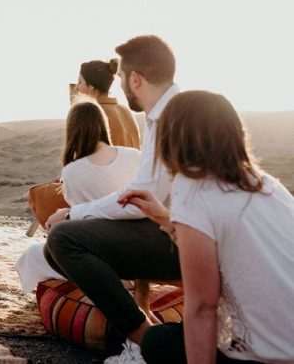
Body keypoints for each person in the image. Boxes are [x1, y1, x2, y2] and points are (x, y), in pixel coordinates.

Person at [120, 91, 294, 364]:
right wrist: (167, 219)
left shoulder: (194, 191)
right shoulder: (268, 185)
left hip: (271, 355)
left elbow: (202, 307)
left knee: (158, 341)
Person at [43, 35, 181, 363]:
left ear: (135, 79)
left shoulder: (168, 120)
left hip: (188, 238)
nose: (117, 85)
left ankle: (143, 341)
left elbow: (139, 200)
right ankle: (143, 327)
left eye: (120, 79)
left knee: (63, 239)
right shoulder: (164, 115)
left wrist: (73, 214)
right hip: (176, 229)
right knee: (56, 246)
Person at [16, 97, 140, 292]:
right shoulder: (135, 155)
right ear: (103, 124)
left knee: (32, 255)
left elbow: (80, 220)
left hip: (105, 252)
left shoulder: (73, 171)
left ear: (72, 130)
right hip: (141, 247)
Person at [76, 59, 140, 149]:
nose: (76, 88)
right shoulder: (126, 110)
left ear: (91, 88)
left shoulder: (92, 115)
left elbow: (83, 158)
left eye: (80, 82)